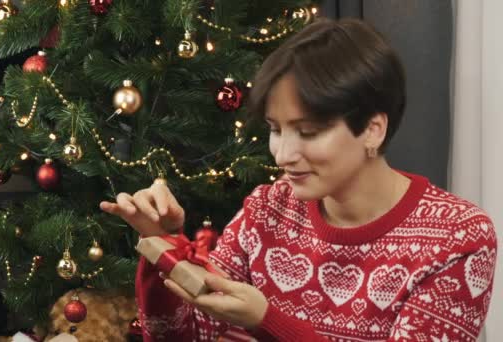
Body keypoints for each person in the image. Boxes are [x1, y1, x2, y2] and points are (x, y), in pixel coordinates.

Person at [100, 18, 497, 341]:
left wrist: (268, 321)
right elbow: (182, 336)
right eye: (275, 129)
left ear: (373, 130)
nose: (283, 155)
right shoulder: (268, 207)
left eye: (307, 132)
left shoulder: (457, 238)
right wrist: (161, 247)